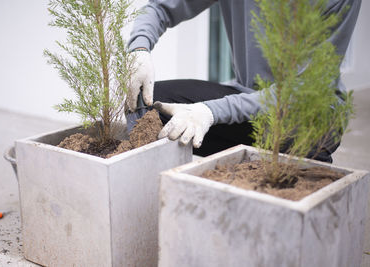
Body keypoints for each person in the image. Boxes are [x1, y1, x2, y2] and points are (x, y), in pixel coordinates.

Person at [126, 0, 361, 162]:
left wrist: (211, 111)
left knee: (304, 139)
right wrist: (139, 48)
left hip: (306, 119)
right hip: (247, 109)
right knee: (150, 104)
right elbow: (161, 7)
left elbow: (305, 90)